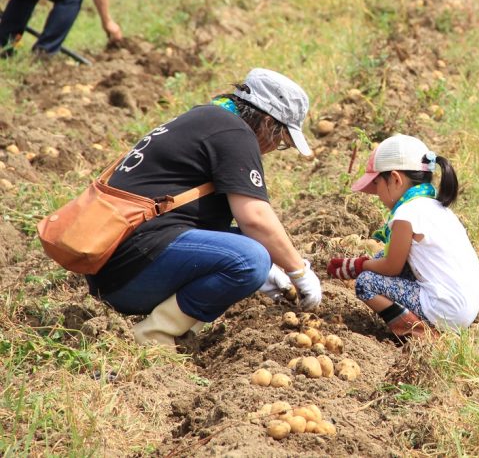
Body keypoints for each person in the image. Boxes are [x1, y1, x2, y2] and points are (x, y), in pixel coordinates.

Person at [86, 68, 323, 349]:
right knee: (251, 257)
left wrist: (270, 267)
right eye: (280, 140)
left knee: (255, 251)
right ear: (268, 121)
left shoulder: (208, 119)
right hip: (128, 273)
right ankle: (155, 336)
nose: (272, 149)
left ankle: (176, 329)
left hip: (118, 263)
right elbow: (255, 218)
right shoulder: (234, 133)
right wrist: (299, 272)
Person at [327, 134, 479, 337]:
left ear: (394, 179)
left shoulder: (405, 214)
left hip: (447, 310)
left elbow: (392, 267)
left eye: (376, 185)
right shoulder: (434, 206)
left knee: (366, 283)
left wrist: (358, 266)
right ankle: (431, 325)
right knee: (378, 260)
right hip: (466, 305)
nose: (377, 195)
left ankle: (424, 335)